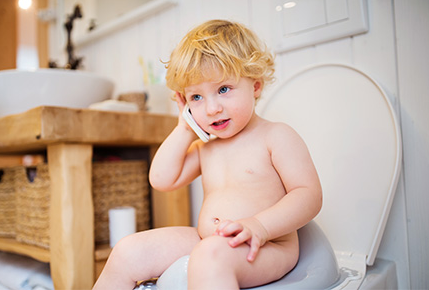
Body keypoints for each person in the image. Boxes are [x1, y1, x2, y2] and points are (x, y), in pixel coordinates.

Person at [93, 19, 322, 290]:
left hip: (267, 246)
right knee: (128, 250)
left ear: (256, 86)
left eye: (223, 89)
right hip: (208, 242)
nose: (211, 108)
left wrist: (260, 226)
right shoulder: (205, 147)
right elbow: (161, 179)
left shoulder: (276, 136)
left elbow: (309, 195)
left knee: (209, 255)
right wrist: (184, 129)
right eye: (196, 97)